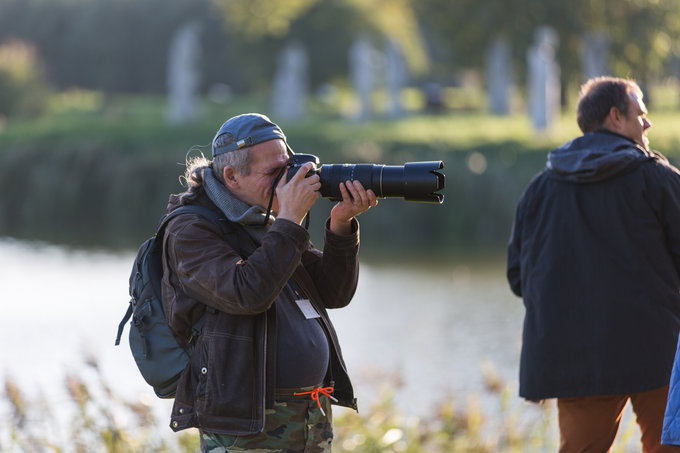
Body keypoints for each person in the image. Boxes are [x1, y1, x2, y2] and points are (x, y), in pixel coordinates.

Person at [161, 113, 378, 452]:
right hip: (247, 426)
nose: (285, 181)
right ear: (231, 176)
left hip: (309, 418)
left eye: (287, 167)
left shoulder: (264, 219)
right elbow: (246, 292)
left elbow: (333, 292)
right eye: (273, 173)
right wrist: (290, 219)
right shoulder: (191, 230)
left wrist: (341, 226)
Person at [507, 76, 680, 453]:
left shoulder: (539, 189)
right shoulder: (658, 180)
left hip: (576, 362)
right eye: (641, 113)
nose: (647, 123)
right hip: (659, 355)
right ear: (616, 117)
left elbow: (519, 277)